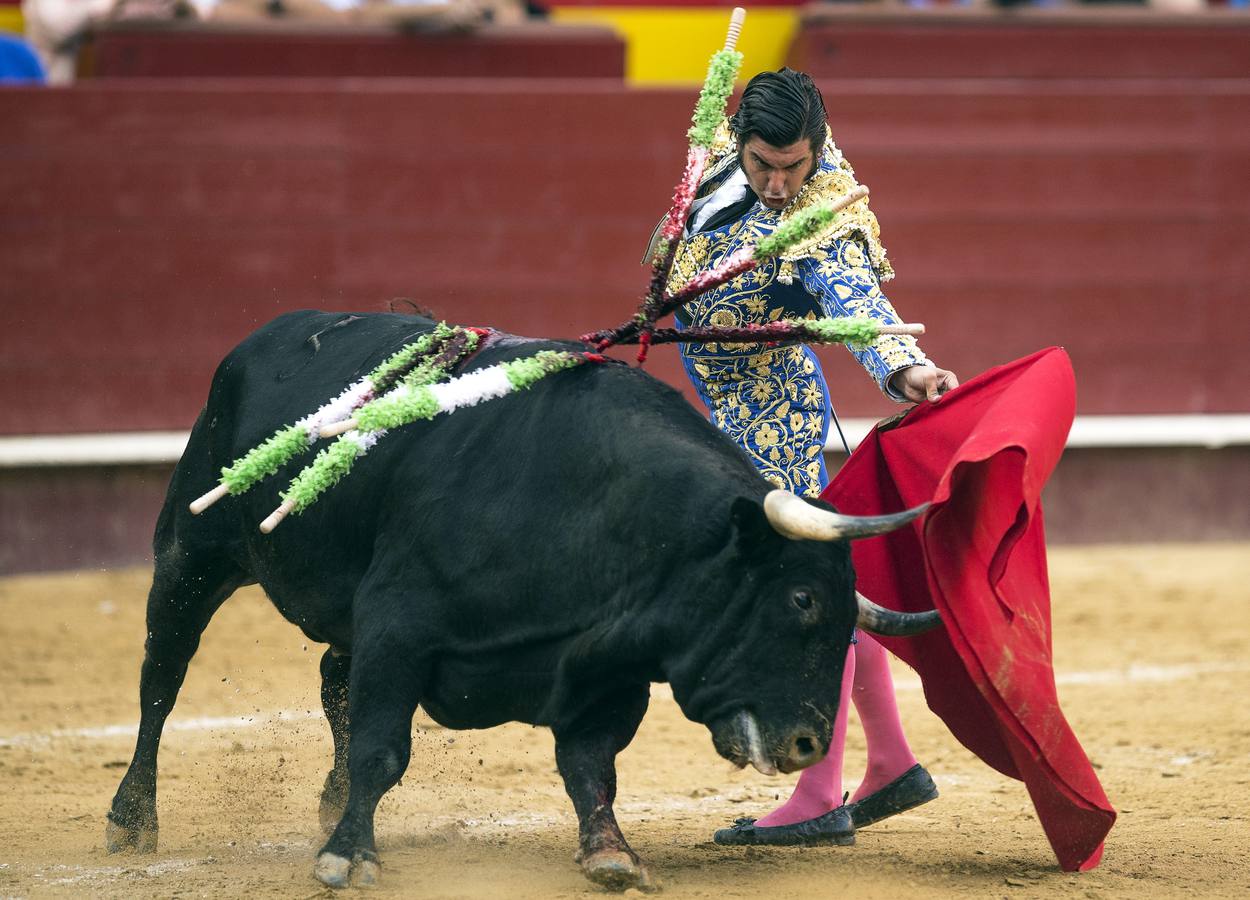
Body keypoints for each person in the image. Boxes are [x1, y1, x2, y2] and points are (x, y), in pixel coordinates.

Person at [659, 67, 958, 845]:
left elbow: (857, 302)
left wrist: (906, 370)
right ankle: (890, 761)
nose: (780, 182)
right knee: (826, 589)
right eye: (764, 166)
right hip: (727, 405)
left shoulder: (825, 214)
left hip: (771, 411)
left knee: (807, 595)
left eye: (794, 166)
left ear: (816, 149)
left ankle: (822, 790)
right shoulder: (726, 152)